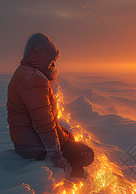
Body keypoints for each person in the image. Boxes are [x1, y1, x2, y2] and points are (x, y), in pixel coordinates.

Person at [7, 33, 94, 178]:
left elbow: (43, 118)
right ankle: (74, 182)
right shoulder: (34, 79)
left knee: (71, 139)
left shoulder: (25, 72)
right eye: (51, 61)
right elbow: (43, 122)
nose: (53, 66)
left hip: (27, 141)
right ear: (41, 58)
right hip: (34, 147)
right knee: (86, 155)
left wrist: (65, 135)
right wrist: (56, 154)